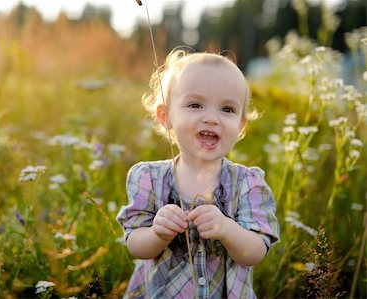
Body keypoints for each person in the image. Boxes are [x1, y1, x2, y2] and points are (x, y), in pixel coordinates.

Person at [116, 48, 280, 299]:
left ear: (241, 125)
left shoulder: (247, 183)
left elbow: (256, 252)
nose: (211, 118)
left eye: (227, 109)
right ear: (165, 116)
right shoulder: (148, 178)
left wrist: (227, 228)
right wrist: (157, 233)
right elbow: (136, 246)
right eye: (195, 104)